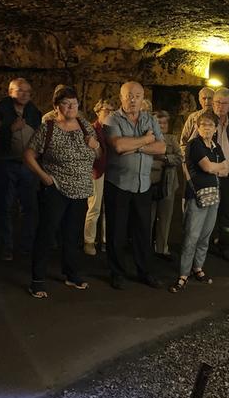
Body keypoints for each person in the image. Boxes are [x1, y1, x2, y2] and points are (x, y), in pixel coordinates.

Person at [23, 86, 101, 298]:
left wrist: (95, 145)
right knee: (47, 233)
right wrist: (44, 177)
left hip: (81, 189)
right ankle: (37, 279)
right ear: (56, 107)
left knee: (72, 234)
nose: (71, 107)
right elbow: (29, 155)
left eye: (74, 103)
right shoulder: (48, 128)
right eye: (66, 104)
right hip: (56, 189)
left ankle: (71, 273)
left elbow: (98, 152)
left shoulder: (85, 126)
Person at [103, 81, 166, 290]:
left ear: (143, 97)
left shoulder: (150, 119)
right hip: (118, 184)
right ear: (121, 97)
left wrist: (136, 146)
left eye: (137, 96)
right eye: (129, 95)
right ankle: (117, 272)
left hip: (143, 184)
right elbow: (119, 146)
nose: (133, 99)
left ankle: (145, 271)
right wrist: (146, 139)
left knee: (142, 232)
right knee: (117, 232)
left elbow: (161, 147)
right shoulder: (112, 119)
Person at [180, 87, 229, 263]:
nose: (220, 107)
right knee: (201, 212)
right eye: (217, 102)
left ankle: (224, 246)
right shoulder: (204, 121)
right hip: (205, 176)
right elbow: (188, 145)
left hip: (227, 176)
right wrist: (189, 172)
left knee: (225, 212)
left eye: (224, 103)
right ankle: (197, 251)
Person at [169, 110, 228, 293]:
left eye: (211, 125)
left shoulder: (215, 146)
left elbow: (226, 169)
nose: (207, 128)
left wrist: (215, 168)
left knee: (205, 235)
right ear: (197, 126)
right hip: (196, 196)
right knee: (191, 236)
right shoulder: (194, 145)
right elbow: (207, 166)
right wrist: (215, 168)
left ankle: (198, 268)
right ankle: (183, 274)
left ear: (215, 128)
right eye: (204, 125)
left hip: (213, 196)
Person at [0, 78, 41, 261]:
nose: (25, 94)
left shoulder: (34, 112)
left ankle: (26, 245)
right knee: (5, 206)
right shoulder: (0, 110)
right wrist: (10, 129)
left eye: (28, 91)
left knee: (29, 207)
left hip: (27, 165)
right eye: (20, 91)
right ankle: (6, 246)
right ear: (10, 92)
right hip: (6, 164)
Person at [150, 110, 182, 261]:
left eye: (164, 123)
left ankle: (162, 249)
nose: (162, 125)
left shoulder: (172, 139)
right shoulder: (147, 138)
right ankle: (145, 247)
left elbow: (180, 158)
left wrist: (164, 158)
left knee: (165, 218)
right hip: (149, 183)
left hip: (168, 184)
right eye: (158, 122)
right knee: (148, 218)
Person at [83, 99, 112, 255]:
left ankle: (106, 240)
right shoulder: (92, 129)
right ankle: (89, 241)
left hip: (111, 171)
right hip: (97, 172)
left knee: (109, 208)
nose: (109, 113)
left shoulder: (112, 129)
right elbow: (93, 153)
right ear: (98, 111)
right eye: (106, 110)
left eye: (111, 111)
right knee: (94, 207)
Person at [179, 87, 214, 154]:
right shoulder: (192, 117)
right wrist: (186, 158)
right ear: (200, 100)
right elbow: (183, 142)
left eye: (210, 98)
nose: (207, 101)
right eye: (204, 98)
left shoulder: (219, 117)